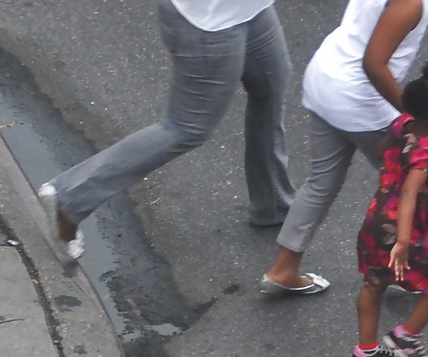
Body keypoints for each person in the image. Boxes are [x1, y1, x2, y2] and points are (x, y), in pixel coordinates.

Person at [38, 0, 295, 261]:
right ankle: (69, 198)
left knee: (271, 88)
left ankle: (272, 204)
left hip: (249, 9)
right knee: (186, 127)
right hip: (208, 24)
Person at [260, 0, 428, 296]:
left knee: (321, 182)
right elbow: (374, 64)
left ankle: (283, 267)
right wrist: (415, 117)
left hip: (326, 82)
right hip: (359, 102)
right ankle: (411, 269)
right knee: (414, 187)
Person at [353, 59, 428, 357]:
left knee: (373, 283)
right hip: (407, 232)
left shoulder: (403, 123)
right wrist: (403, 241)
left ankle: (366, 351)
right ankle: (406, 336)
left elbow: (381, 151)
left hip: (375, 220)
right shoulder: (426, 152)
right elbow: (410, 194)